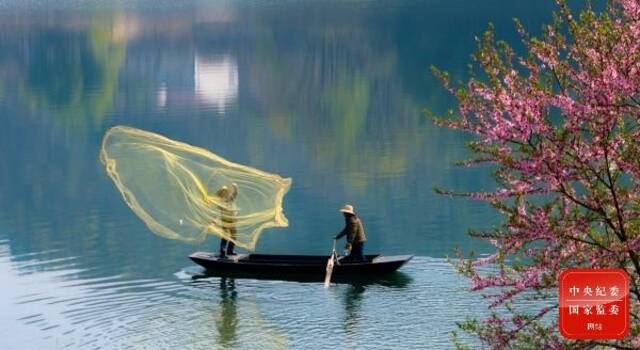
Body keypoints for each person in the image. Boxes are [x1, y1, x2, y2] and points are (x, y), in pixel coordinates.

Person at [216, 183, 238, 258]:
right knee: (225, 237)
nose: (226, 192)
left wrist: (235, 187)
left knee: (234, 236)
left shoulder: (230, 198)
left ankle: (230, 251)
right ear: (222, 193)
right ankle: (222, 253)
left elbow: (235, 194)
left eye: (226, 191)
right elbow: (221, 208)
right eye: (224, 191)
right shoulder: (220, 202)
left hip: (232, 220)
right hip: (225, 220)